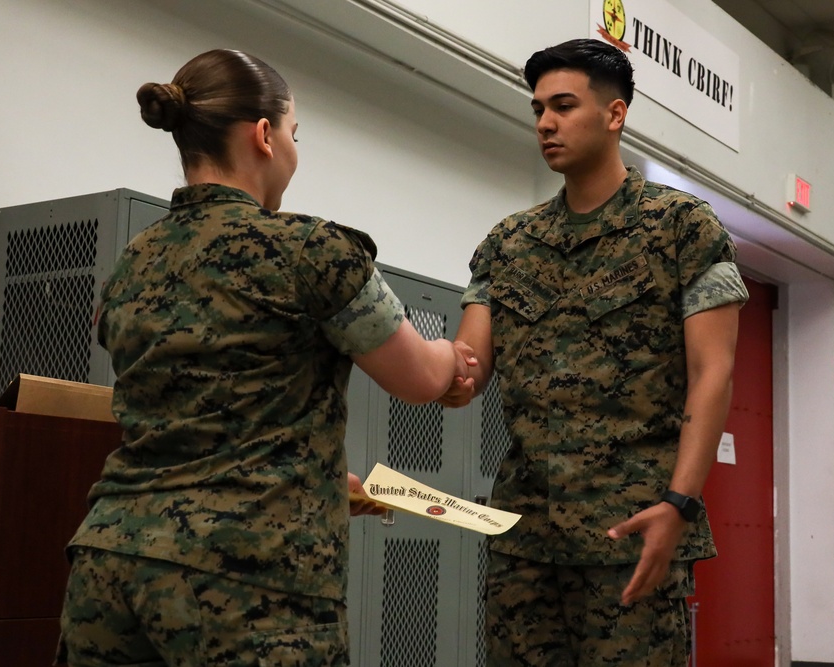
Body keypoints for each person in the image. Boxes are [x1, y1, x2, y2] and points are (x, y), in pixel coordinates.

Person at [58, 48, 474, 666]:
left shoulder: (133, 261)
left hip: (110, 565)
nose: (294, 150)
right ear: (264, 135)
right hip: (244, 578)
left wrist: (315, 477)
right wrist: (456, 357)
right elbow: (421, 379)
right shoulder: (310, 250)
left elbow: (197, 396)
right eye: (293, 133)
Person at [439, 38, 748, 666]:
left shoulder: (681, 227)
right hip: (525, 539)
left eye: (563, 106)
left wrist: (680, 504)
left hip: (630, 530)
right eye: (537, 110)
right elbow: (464, 376)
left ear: (614, 114)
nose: (546, 124)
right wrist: (380, 335)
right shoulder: (509, 243)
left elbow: (712, 373)